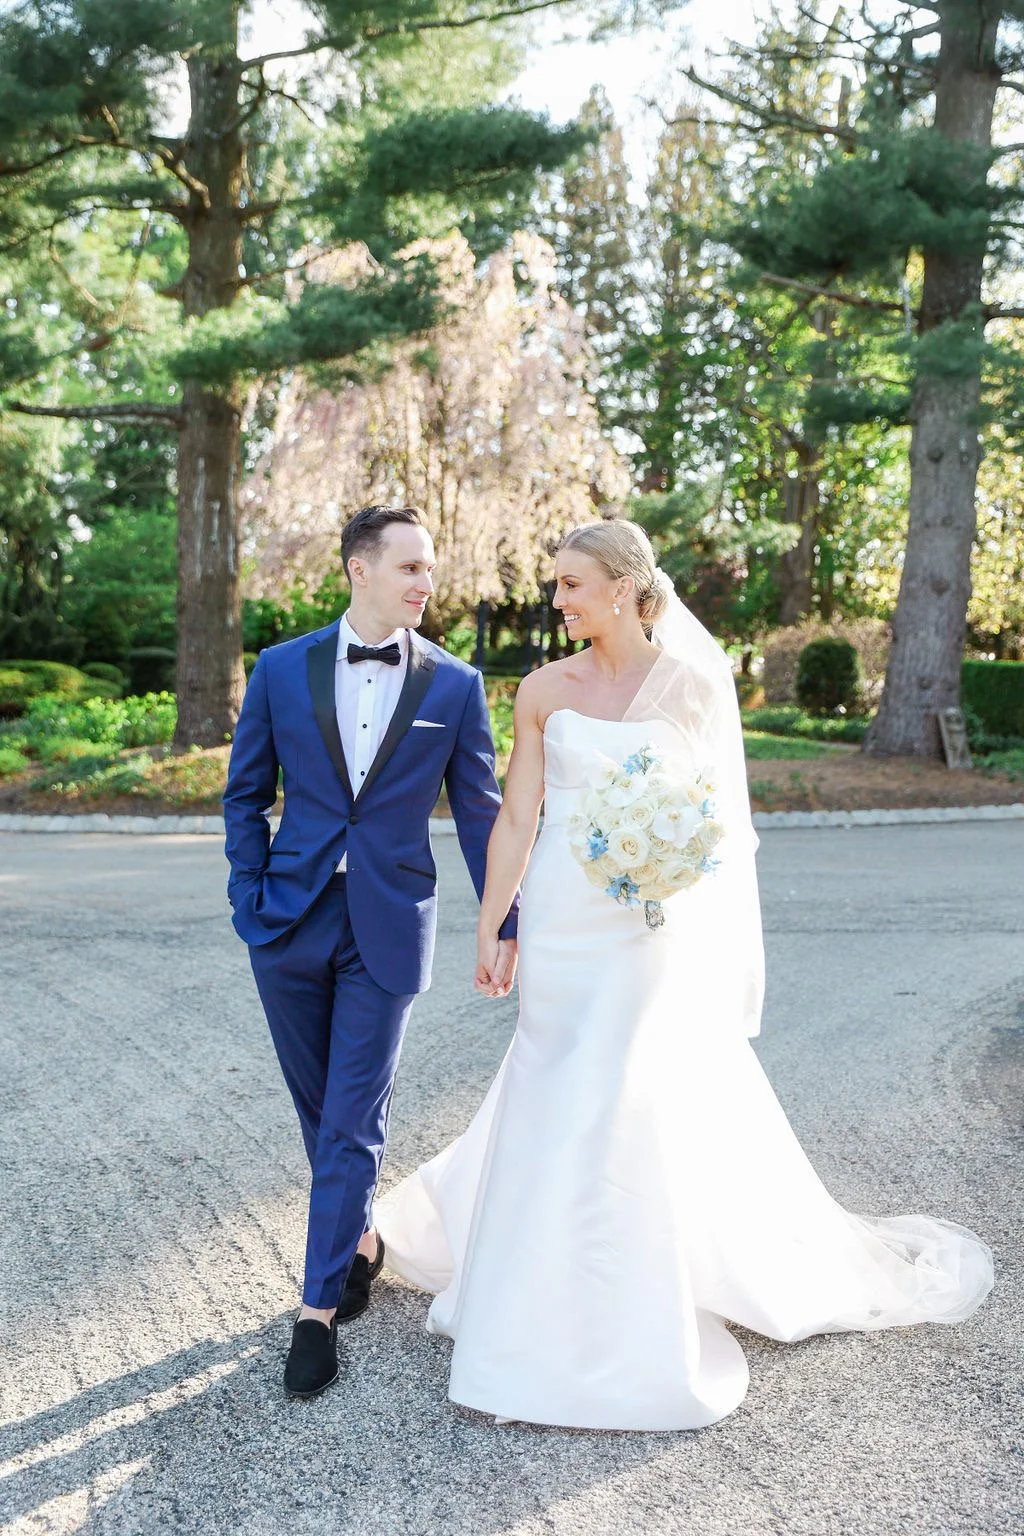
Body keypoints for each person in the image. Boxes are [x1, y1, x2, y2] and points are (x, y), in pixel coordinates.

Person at [375, 518, 994, 1432]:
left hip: (646, 921)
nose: (557, 602)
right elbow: (516, 818)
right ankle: (530, 1290)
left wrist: (670, 874)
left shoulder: (694, 686)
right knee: (552, 1075)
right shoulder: (543, 690)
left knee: (620, 1087)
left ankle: (629, 1299)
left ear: (623, 587)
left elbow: (718, 826)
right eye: (556, 585)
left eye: (571, 585)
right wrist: (495, 921)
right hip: (563, 918)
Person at [223, 504, 518, 1398]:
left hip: (388, 925)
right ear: (359, 568)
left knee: (351, 1120)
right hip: (288, 919)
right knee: (322, 1115)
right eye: (411, 568)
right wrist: (250, 900)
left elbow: (481, 814)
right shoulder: (280, 670)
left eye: (429, 569)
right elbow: (245, 795)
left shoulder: (455, 686)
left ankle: (315, 1315)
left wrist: (505, 922)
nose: (426, 583)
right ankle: (361, 1243)